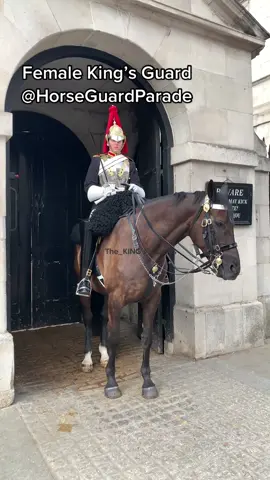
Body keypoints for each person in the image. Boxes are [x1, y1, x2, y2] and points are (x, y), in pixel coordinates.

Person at [76, 105, 145, 297]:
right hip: (104, 202)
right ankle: (85, 278)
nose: (117, 143)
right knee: (91, 227)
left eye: (120, 140)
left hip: (127, 202)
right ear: (108, 140)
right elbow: (89, 188)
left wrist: (133, 188)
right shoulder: (98, 161)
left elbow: (141, 189)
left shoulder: (129, 163)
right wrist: (105, 190)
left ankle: (151, 271)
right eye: (114, 140)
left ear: (123, 142)